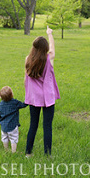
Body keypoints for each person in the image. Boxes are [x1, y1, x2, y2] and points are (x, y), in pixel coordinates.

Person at [24, 26, 60, 157]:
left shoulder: (27, 59)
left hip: (34, 97)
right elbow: (52, 49)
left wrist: (27, 93)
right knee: (47, 126)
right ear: (45, 49)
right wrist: (50, 34)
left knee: (33, 125)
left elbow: (25, 80)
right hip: (47, 97)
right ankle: (48, 154)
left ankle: (28, 153)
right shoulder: (49, 59)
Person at [0, 86, 27, 153]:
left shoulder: (0, 104)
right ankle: (13, 151)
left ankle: (6, 150)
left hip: (3, 126)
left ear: (0, 97)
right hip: (13, 126)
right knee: (13, 138)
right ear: (12, 95)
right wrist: (28, 99)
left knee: (4, 138)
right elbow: (23, 105)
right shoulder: (15, 103)